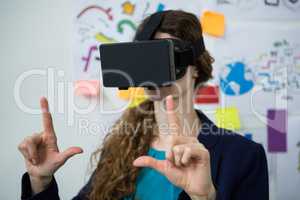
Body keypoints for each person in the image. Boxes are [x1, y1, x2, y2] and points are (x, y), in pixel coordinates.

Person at [19, 10, 269, 200]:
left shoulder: (244, 156)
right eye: (147, 59)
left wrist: (204, 198)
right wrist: (40, 181)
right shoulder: (120, 148)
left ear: (195, 69)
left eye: (165, 58)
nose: (155, 71)